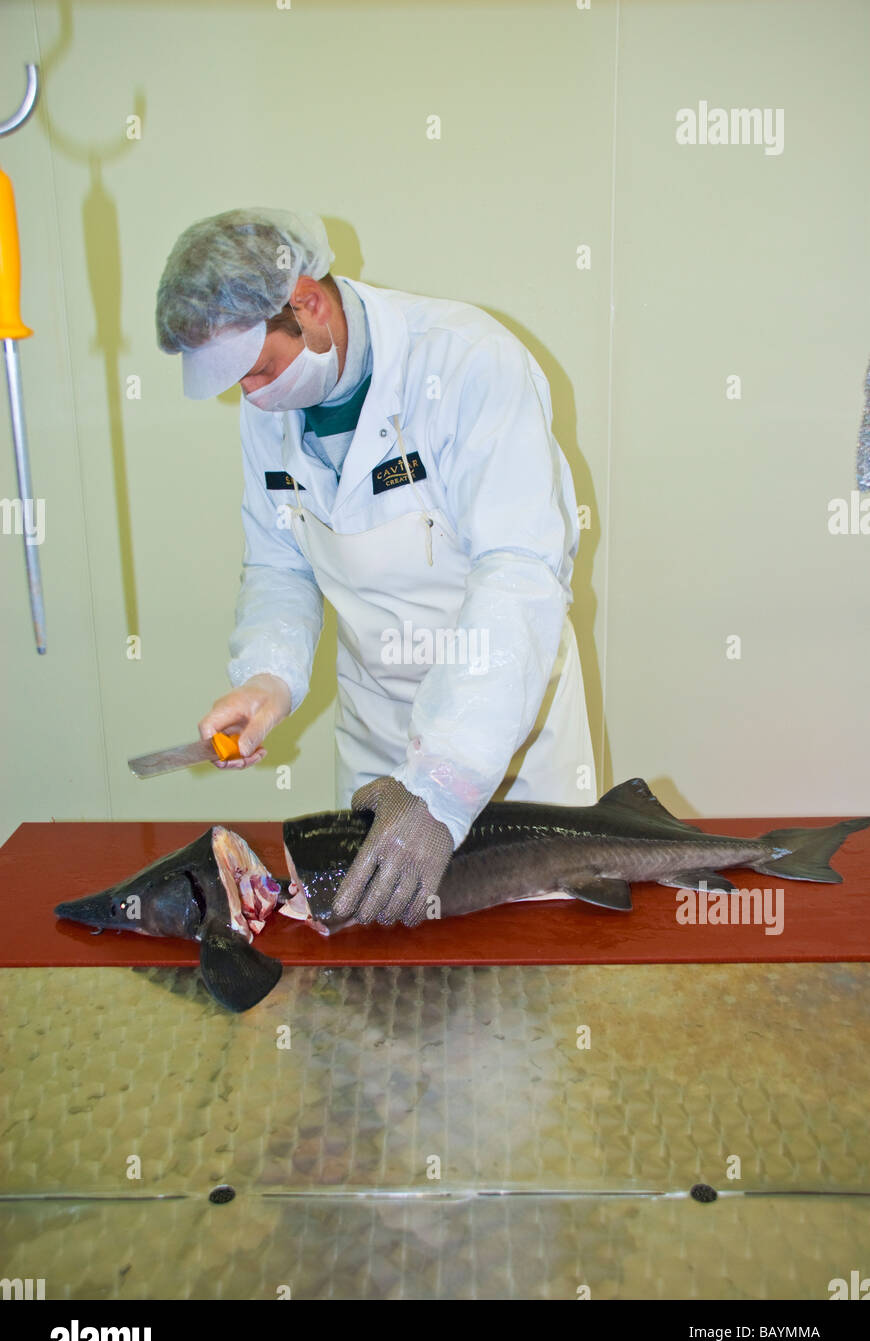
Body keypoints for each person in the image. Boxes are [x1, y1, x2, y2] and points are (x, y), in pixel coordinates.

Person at [155, 208, 596, 927]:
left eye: (259, 369)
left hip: (504, 736)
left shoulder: (467, 362)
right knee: (377, 993)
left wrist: (445, 788)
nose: (254, 396)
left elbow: (519, 573)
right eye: (240, 384)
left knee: (530, 978)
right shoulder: (267, 406)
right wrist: (269, 676)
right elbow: (279, 559)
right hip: (377, 743)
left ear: (309, 303)